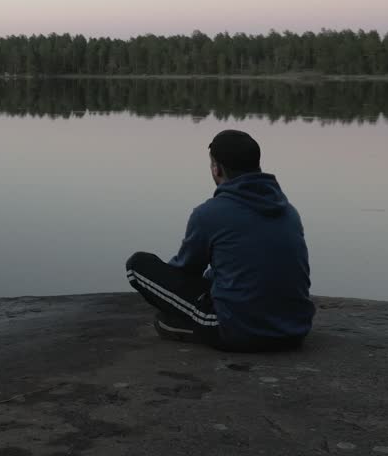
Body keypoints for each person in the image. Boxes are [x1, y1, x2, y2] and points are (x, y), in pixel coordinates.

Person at [125, 130, 314, 352]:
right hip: (295, 330)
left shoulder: (210, 213)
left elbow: (186, 270)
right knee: (216, 275)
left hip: (241, 331)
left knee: (137, 266)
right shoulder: (289, 211)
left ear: (217, 168)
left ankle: (185, 327)